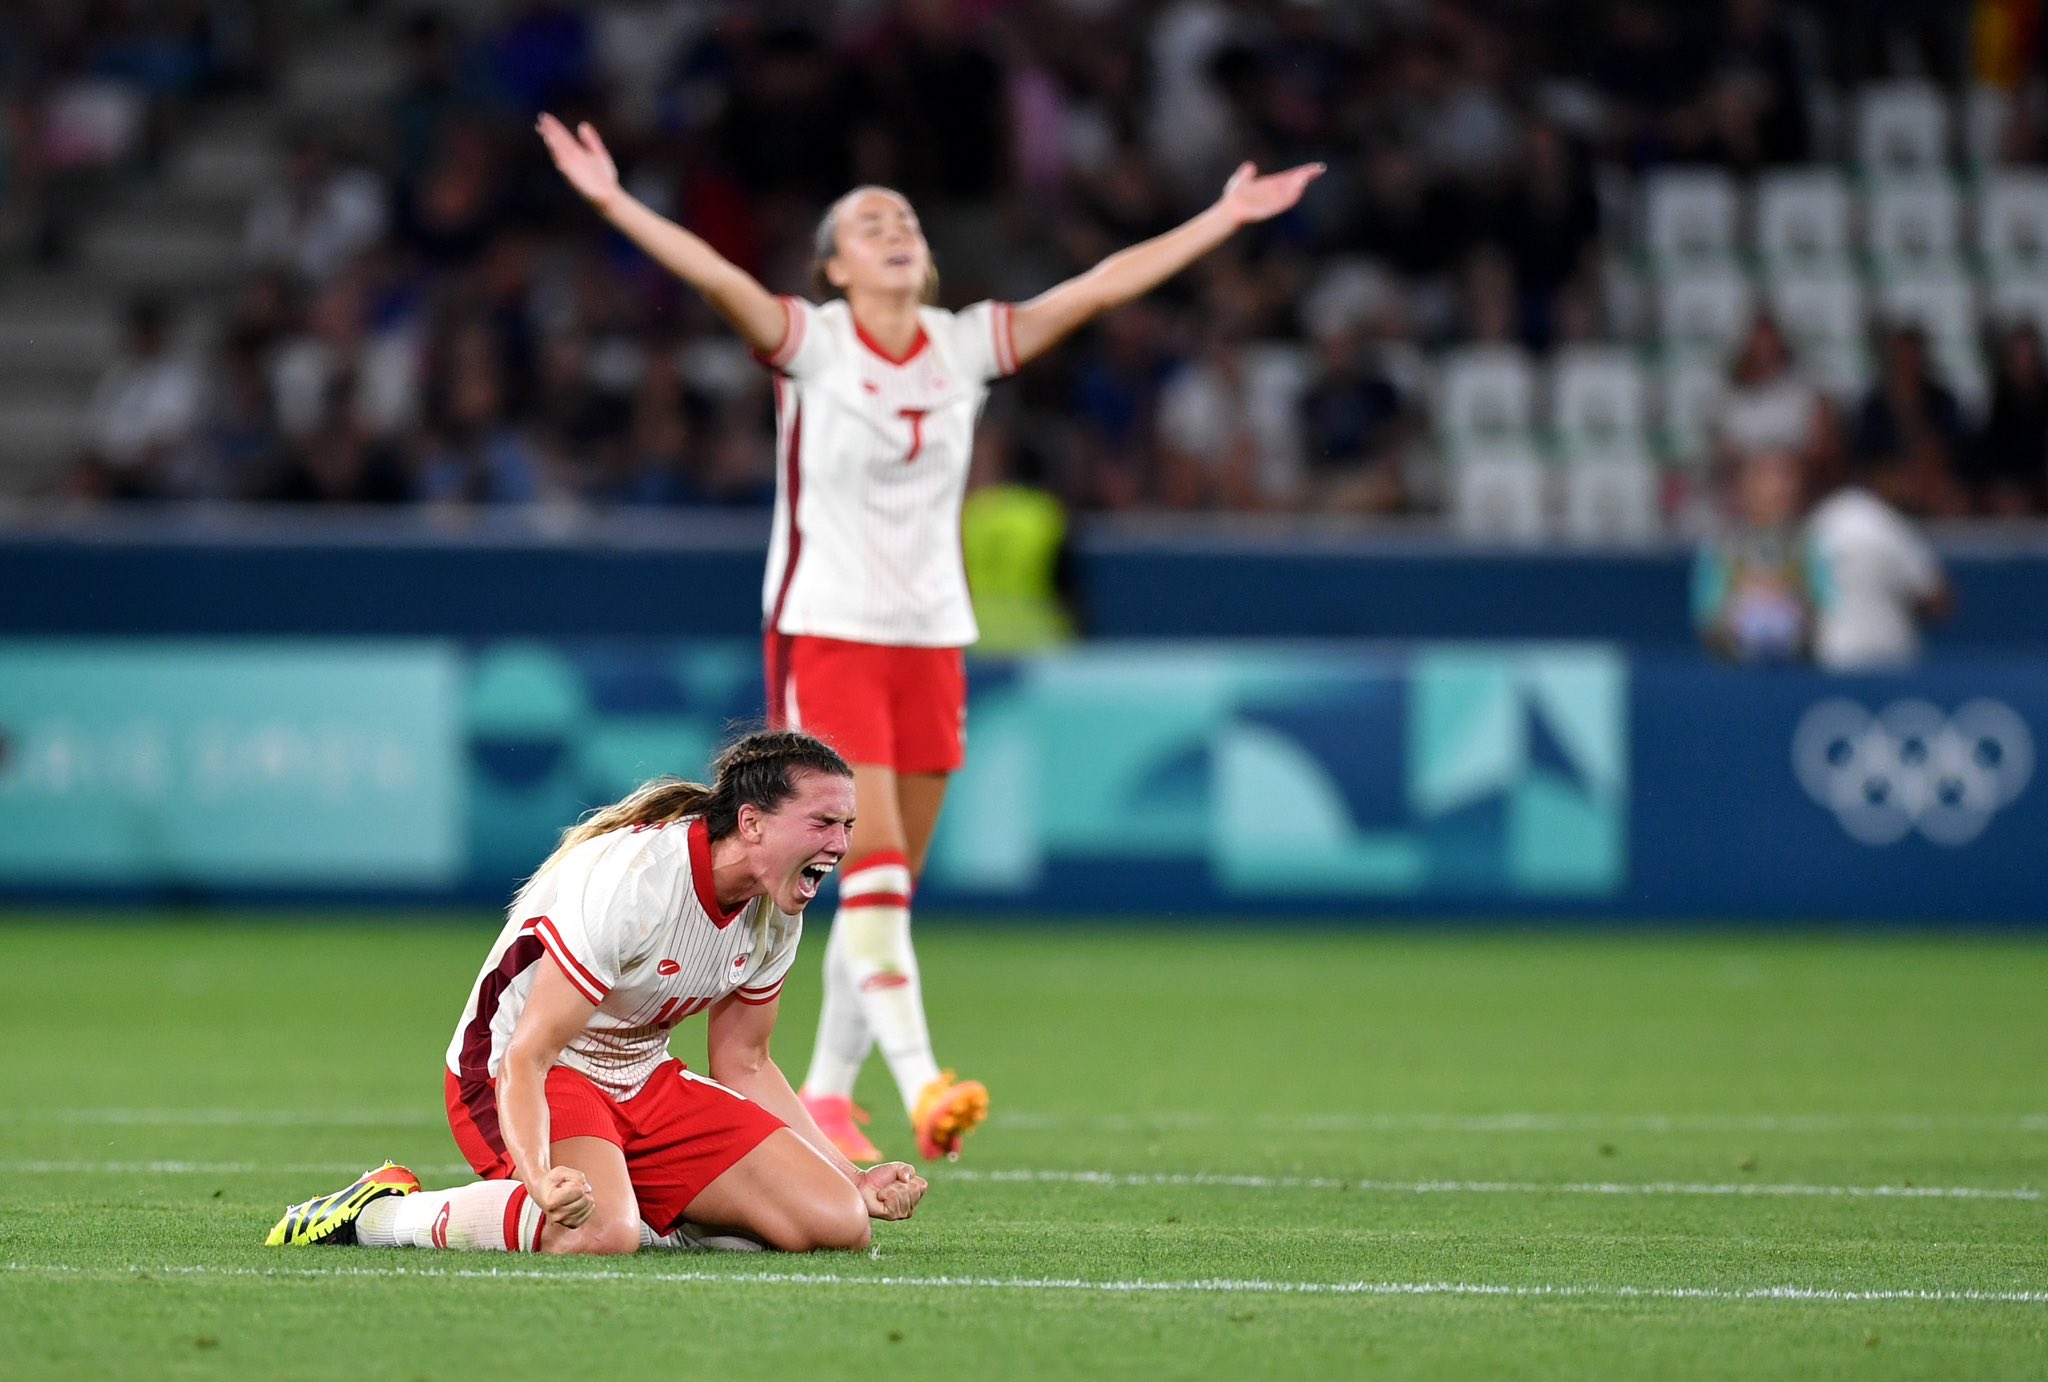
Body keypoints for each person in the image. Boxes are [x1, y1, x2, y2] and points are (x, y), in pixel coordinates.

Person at [537, 113, 1322, 1162]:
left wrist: (1222, 215)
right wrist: (612, 201)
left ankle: (821, 1089)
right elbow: (716, 279)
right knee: (871, 863)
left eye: (903, 217)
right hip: (828, 627)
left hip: (929, 636)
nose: (894, 228)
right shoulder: (813, 344)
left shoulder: (960, 345)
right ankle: (923, 1081)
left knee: (887, 885)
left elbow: (1092, 289)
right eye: (868, 222)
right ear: (831, 266)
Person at [264, 730, 928, 1255]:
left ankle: (641, 1205)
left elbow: (745, 1064)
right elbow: (528, 1054)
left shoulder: (779, 908)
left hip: (641, 1080)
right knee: (598, 1233)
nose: (842, 844)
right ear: (751, 824)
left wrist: (852, 1177)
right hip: (519, 1072)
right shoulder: (640, 882)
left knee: (837, 1223)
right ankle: (381, 1214)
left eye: (847, 825)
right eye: (824, 823)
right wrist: (537, 1175)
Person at [1806, 461, 1952, 671]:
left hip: (1835, 650)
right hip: (1887, 650)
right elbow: (1938, 599)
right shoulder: (1890, 525)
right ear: (1885, 476)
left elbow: (1809, 589)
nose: (1909, 486)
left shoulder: (1822, 518)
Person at [1692, 448, 1820, 663]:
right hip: (1736, 674)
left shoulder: (1811, 545)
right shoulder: (1722, 547)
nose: (1780, 487)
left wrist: (1790, 601)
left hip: (1801, 672)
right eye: (1767, 478)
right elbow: (1707, 617)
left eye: (1787, 477)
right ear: (1745, 487)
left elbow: (1828, 613)